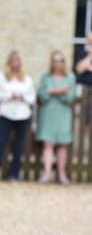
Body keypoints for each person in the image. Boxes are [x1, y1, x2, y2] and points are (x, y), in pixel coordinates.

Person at [0, 51, 36, 181]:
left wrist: (22, 96)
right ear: (9, 63)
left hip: (23, 115)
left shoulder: (27, 78)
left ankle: (13, 174)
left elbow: (32, 97)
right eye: (13, 61)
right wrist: (10, 95)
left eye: (17, 61)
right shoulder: (1, 77)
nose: (15, 63)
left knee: (19, 146)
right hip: (6, 114)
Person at [36, 51, 76, 184]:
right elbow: (42, 95)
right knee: (47, 144)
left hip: (63, 115)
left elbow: (70, 97)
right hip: (48, 114)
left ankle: (62, 175)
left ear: (64, 62)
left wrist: (53, 91)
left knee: (62, 145)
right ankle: (47, 174)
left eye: (60, 59)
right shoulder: (45, 77)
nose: (57, 62)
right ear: (51, 62)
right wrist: (58, 91)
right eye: (55, 59)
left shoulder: (70, 77)